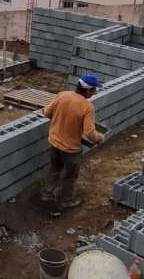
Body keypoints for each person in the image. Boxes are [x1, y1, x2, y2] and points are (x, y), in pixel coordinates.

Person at [41, 74, 104, 212]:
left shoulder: (63, 95)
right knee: (70, 177)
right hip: (71, 150)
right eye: (94, 90)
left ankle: (47, 195)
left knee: (54, 170)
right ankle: (66, 201)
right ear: (88, 90)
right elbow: (89, 133)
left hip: (55, 144)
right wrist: (99, 138)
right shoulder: (87, 107)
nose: (94, 93)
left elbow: (46, 112)